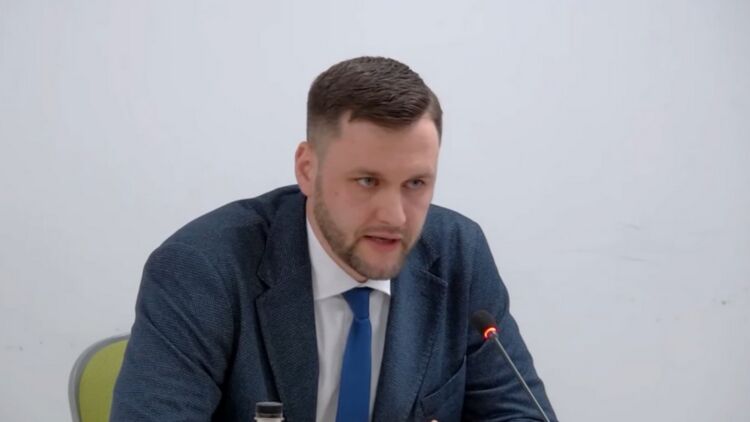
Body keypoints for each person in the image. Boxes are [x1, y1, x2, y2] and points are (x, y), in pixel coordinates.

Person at [111, 56, 557, 422]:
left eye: (416, 184)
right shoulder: (201, 269)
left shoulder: (458, 253)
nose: (395, 216)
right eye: (367, 181)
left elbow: (520, 414)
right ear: (308, 170)